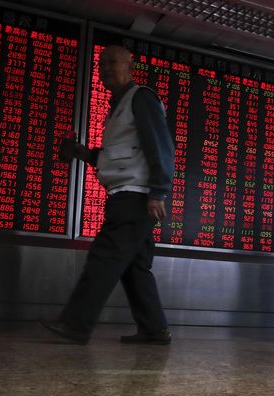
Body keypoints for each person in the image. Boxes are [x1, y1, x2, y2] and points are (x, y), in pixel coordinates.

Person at [41, 45, 174, 344]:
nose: (105, 69)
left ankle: (75, 324)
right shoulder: (119, 107)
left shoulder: (141, 98)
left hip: (136, 198)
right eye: (101, 64)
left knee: (104, 258)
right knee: (134, 266)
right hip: (127, 194)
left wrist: (158, 192)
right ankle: (154, 329)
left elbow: (161, 146)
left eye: (112, 62)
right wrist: (85, 154)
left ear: (130, 64)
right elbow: (121, 155)